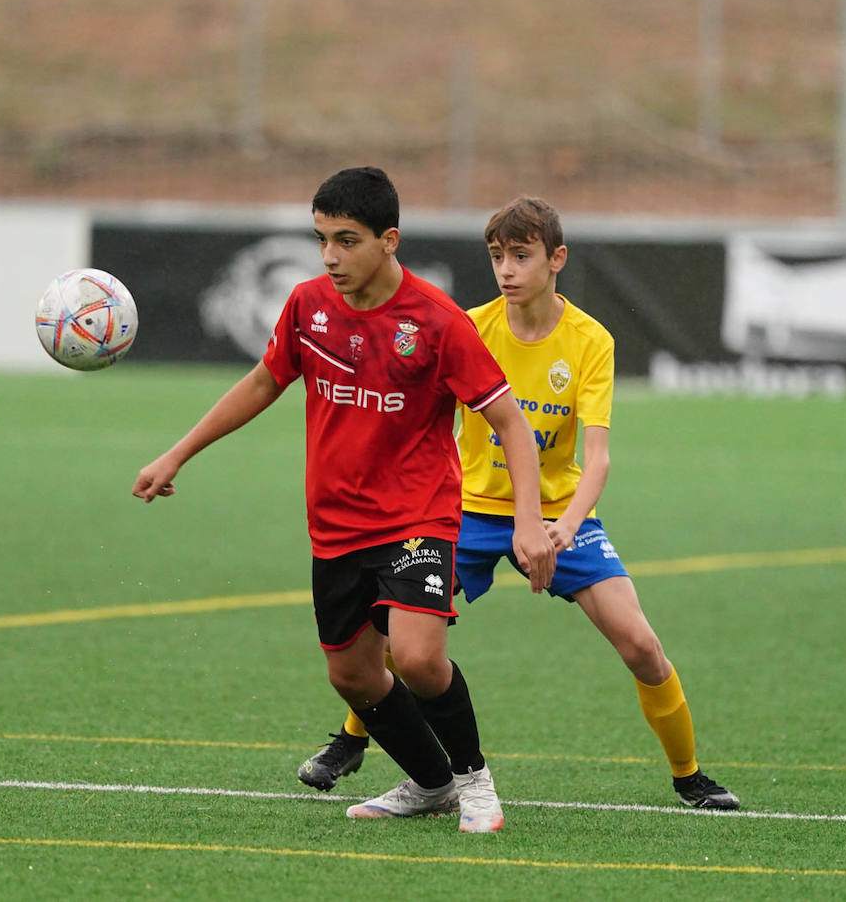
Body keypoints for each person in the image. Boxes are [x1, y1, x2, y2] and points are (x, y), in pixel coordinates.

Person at [133, 167, 557, 833]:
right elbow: (262, 383)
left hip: (419, 515)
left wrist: (528, 523)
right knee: (354, 678)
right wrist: (176, 453)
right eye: (321, 239)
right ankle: (430, 783)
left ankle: (476, 783)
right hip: (334, 525)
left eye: (347, 240)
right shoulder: (307, 306)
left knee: (417, 658)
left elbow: (510, 423)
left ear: (389, 241)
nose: (330, 256)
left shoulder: (437, 322)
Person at [297, 195, 740, 811]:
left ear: (556, 259)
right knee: (397, 639)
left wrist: (564, 527)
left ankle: (688, 775)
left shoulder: (590, 341)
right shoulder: (466, 323)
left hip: (560, 514)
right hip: (466, 509)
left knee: (640, 643)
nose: (506, 270)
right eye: (497, 256)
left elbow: (600, 456)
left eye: (521, 256)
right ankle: (353, 739)